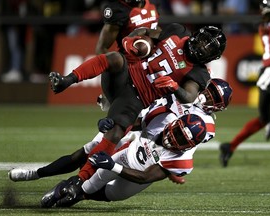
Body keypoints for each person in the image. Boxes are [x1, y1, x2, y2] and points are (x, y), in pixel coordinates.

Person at [48, 23, 226, 182]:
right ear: (197, 35)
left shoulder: (199, 73)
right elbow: (145, 31)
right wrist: (131, 40)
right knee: (115, 58)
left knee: (115, 133)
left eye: (209, 48)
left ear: (212, 56)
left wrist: (174, 87)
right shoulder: (178, 31)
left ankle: (80, 180)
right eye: (204, 41)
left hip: (136, 99)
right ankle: (66, 80)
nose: (203, 47)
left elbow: (188, 96)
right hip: (126, 73)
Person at [39, 78, 232, 207]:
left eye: (212, 97)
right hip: (140, 131)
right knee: (92, 155)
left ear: (218, 107)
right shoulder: (185, 91)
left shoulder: (205, 125)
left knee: (112, 191)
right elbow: (150, 100)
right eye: (208, 91)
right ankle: (69, 183)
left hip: (157, 149)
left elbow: (183, 139)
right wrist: (118, 111)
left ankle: (78, 191)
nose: (205, 96)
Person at [219, 0, 270, 167]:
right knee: (267, 118)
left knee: (263, 118)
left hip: (266, 73)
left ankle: (230, 146)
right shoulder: (267, 25)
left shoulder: (264, 25)